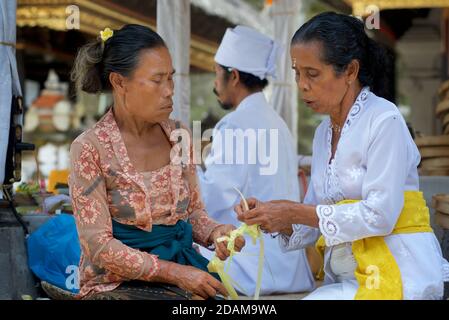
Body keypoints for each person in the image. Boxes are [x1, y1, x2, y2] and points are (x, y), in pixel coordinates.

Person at [236, 12, 449, 300]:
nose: (302, 85)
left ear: (350, 71)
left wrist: (294, 212)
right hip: (351, 275)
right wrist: (273, 215)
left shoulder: (384, 120)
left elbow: (380, 215)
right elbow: (315, 215)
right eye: (297, 73)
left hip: (397, 269)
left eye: (312, 74)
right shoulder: (323, 133)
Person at [68, 24, 244, 300]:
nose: (169, 91)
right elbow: (99, 247)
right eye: (157, 80)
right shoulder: (90, 149)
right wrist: (175, 273)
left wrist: (216, 233)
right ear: (119, 82)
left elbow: (194, 213)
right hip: (116, 285)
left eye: (170, 79)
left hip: (182, 274)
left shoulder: (179, 135)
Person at [196, 25, 316, 296]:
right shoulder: (277, 122)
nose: (216, 83)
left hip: (251, 266)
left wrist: (184, 166)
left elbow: (214, 198)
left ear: (234, 76)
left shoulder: (236, 124)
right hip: (288, 266)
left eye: (217, 73)